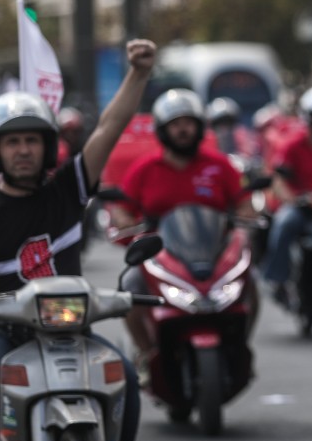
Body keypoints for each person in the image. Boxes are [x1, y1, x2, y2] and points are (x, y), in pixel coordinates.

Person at [0, 39, 156, 441]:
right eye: (11, 141)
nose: (23, 150)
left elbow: (111, 125)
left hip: (67, 329)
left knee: (125, 375)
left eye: (32, 140)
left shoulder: (69, 188)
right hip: (6, 331)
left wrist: (139, 74)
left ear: (47, 147)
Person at [109, 89, 256, 363]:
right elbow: (121, 210)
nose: (183, 130)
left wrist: (245, 222)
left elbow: (244, 204)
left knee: (251, 284)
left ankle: (241, 348)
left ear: (200, 127)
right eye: (175, 124)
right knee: (129, 286)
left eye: (188, 123)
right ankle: (146, 353)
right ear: (163, 130)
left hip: (214, 252)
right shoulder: (144, 169)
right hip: (162, 254)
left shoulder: (220, 165)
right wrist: (128, 224)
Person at [260, 85, 312, 303]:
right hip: (303, 206)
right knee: (284, 222)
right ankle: (278, 278)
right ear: (309, 117)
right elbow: (279, 181)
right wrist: (294, 199)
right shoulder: (292, 146)